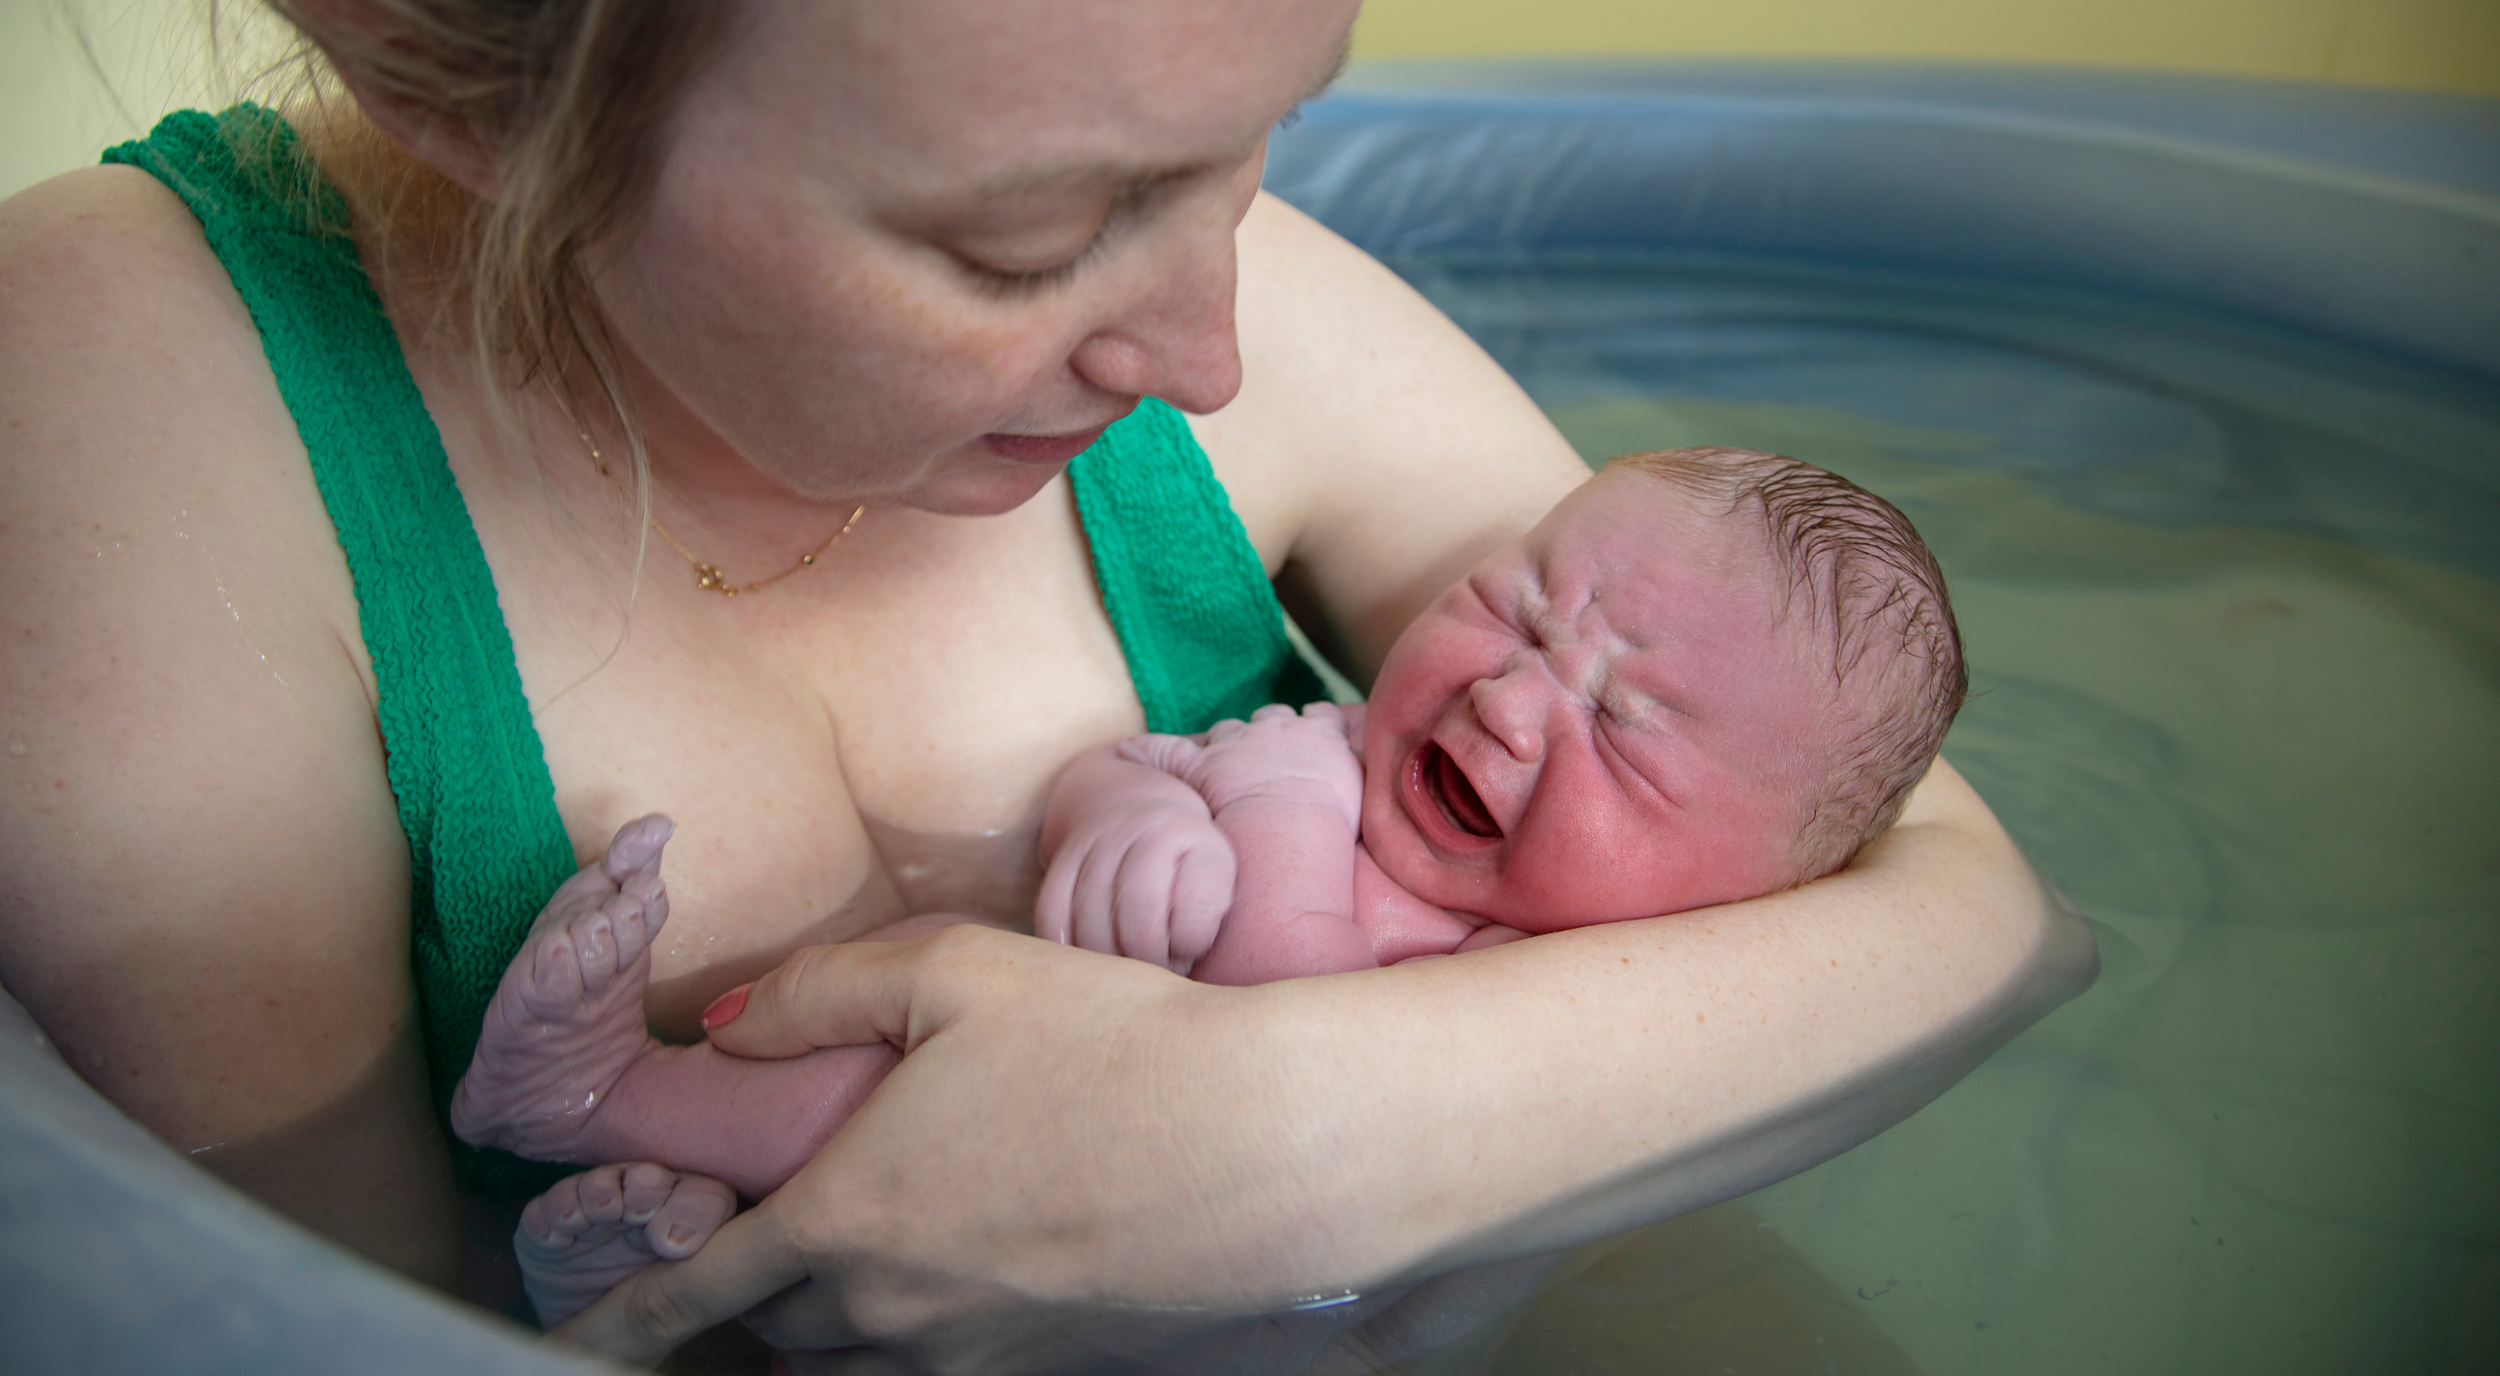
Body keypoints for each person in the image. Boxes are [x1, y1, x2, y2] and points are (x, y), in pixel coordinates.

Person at [0, 0, 2093, 1371]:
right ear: (451, 78)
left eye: (1262, 142)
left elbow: (1964, 907)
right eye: (1028, 244)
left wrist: (1273, 1139)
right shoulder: (123, 432)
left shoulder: (1252, 327)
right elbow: (299, 1332)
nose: (1208, 348)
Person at [450, 446, 1977, 1329]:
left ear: (1756, 895)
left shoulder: (1602, 1016)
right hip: (985, 1124)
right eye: (1509, 611)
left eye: (1626, 736)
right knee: (881, 1047)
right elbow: (1150, 786)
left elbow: (1295, 1065)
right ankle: (601, 1106)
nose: (1514, 701)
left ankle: (665, 1267)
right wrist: (1119, 810)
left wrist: (1253, 815)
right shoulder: (1311, 754)